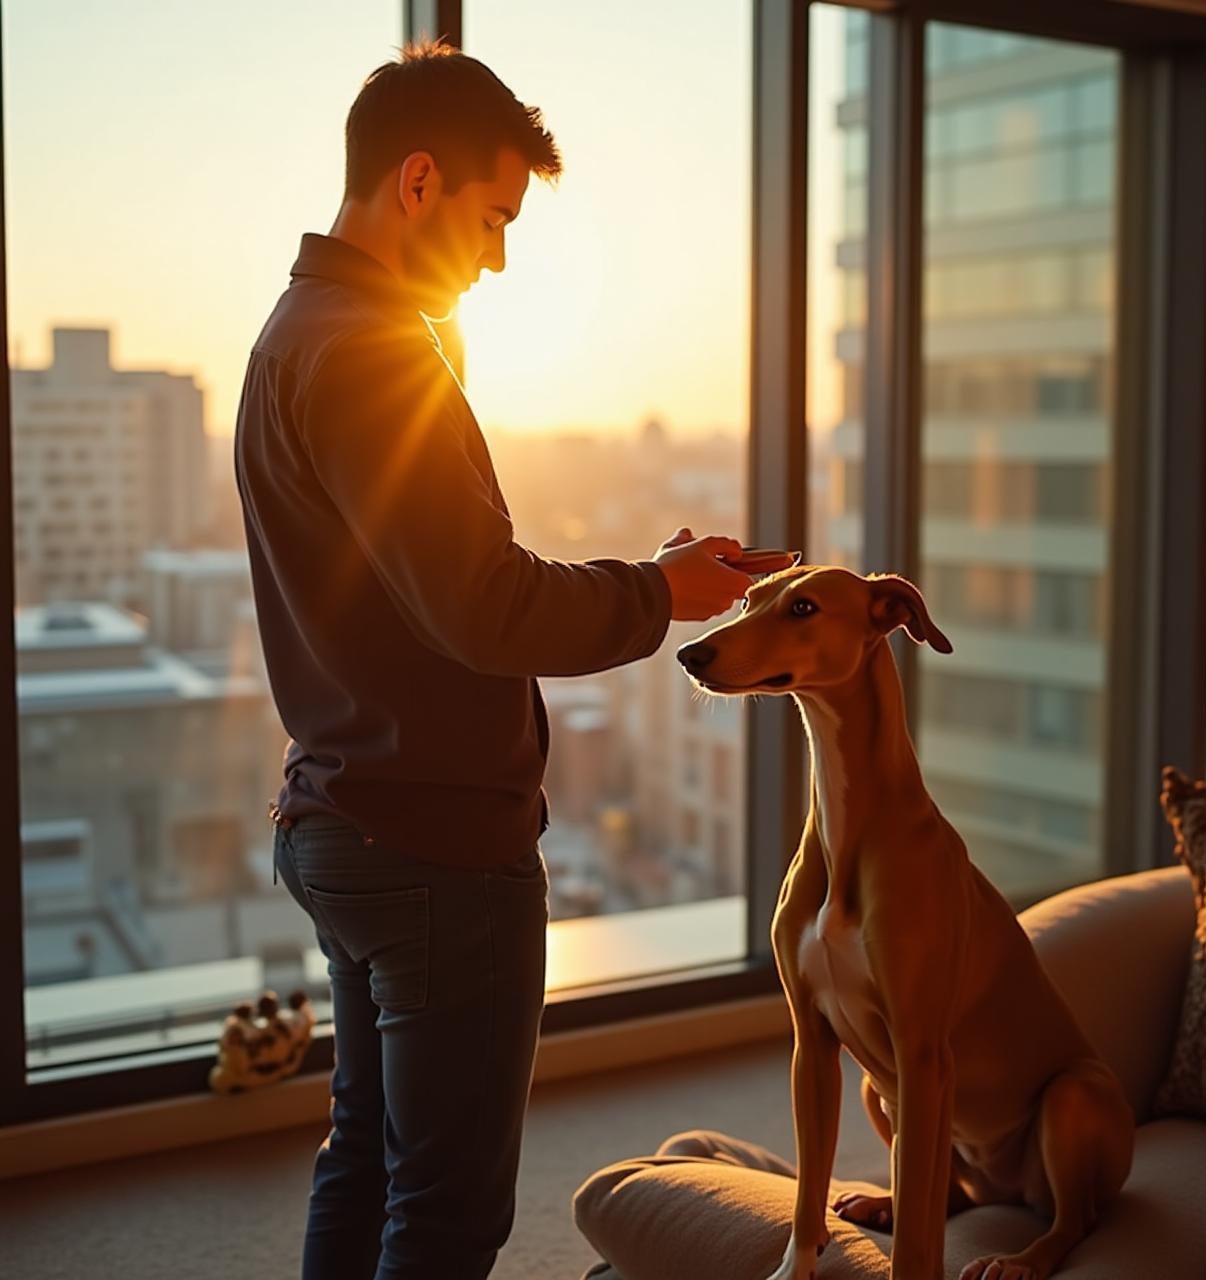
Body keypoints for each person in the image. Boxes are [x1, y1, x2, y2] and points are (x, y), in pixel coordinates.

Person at [234, 36, 791, 1280]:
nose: (495, 258)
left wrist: (642, 577)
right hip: (436, 849)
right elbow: (483, 608)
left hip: (342, 810)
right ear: (417, 183)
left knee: (366, 1153)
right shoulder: (377, 351)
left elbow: (430, 583)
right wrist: (659, 592)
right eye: (491, 218)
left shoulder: (297, 327)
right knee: (443, 1207)